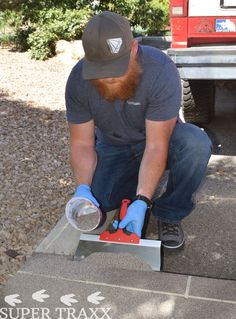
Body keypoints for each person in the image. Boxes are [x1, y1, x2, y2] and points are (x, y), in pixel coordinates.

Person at [65, 11, 212, 249]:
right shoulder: (78, 81)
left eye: (117, 67)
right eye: (102, 69)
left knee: (195, 144)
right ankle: (139, 186)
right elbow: (82, 144)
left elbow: (156, 145)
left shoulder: (160, 71)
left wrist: (142, 199)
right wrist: (83, 188)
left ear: (133, 49)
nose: (110, 76)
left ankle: (169, 212)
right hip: (113, 146)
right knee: (99, 201)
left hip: (155, 141)